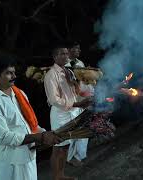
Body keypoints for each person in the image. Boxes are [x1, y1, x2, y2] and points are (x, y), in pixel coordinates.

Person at [0, 54, 62, 180]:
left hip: (29, 154)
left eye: (14, 72)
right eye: (8, 73)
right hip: (12, 160)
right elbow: (4, 136)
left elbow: (30, 124)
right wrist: (41, 137)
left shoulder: (20, 93)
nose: (14, 76)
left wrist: (47, 134)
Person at [44, 45, 92, 180]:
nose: (65, 56)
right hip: (60, 114)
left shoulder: (69, 72)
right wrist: (77, 103)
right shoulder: (51, 74)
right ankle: (56, 176)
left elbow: (75, 93)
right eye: (61, 54)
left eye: (66, 53)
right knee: (58, 146)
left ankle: (61, 175)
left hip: (72, 111)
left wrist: (76, 86)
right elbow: (54, 100)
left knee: (66, 146)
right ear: (55, 57)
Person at [65, 42, 93, 167]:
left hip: (84, 100)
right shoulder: (64, 65)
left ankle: (80, 156)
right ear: (69, 49)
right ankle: (69, 157)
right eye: (76, 49)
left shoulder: (80, 63)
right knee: (71, 131)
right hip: (72, 103)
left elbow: (85, 81)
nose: (79, 51)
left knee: (84, 129)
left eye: (79, 49)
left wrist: (91, 93)